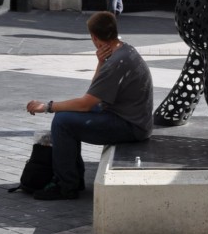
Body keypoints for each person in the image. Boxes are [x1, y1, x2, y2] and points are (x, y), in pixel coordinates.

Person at [26, 11, 153, 200]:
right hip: (131, 117)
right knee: (66, 115)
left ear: (94, 37)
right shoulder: (125, 51)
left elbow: (86, 104)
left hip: (131, 126)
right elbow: (94, 94)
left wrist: (47, 106)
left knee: (63, 122)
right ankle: (71, 179)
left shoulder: (117, 63)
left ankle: (66, 185)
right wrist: (100, 62)